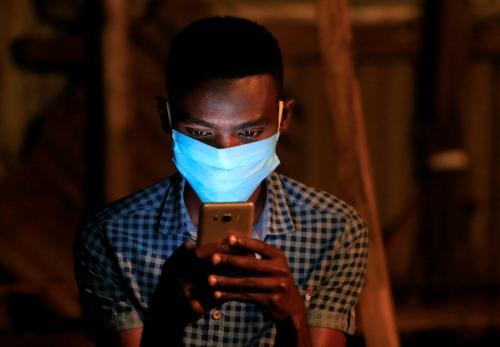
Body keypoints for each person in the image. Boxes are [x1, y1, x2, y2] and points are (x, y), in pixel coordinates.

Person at [74, 16, 368, 347]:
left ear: (284, 118)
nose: (225, 153)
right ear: (165, 117)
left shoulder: (334, 229)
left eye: (249, 132)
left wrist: (294, 318)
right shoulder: (111, 236)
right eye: (200, 133)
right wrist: (165, 320)